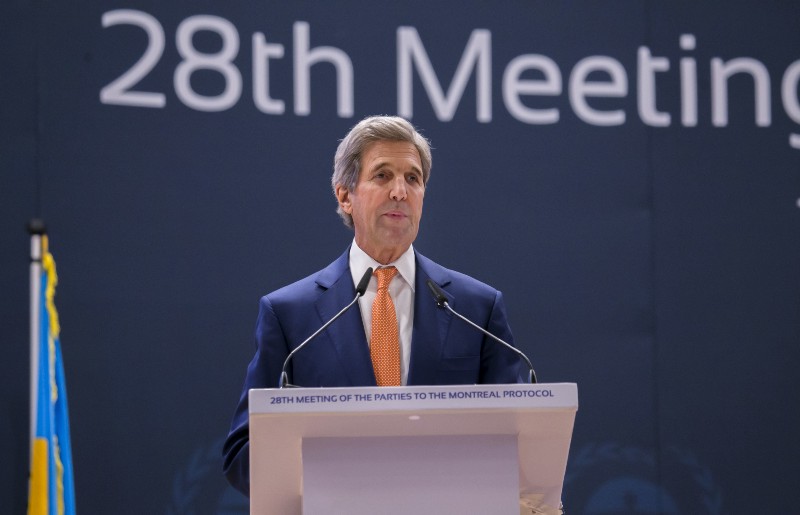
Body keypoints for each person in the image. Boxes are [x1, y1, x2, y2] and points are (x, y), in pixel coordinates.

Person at [222, 115, 525, 496]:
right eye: (382, 175)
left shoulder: (475, 309)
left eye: (413, 179)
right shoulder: (290, 315)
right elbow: (242, 452)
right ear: (345, 196)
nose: (400, 191)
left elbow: (522, 440)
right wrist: (336, 476)